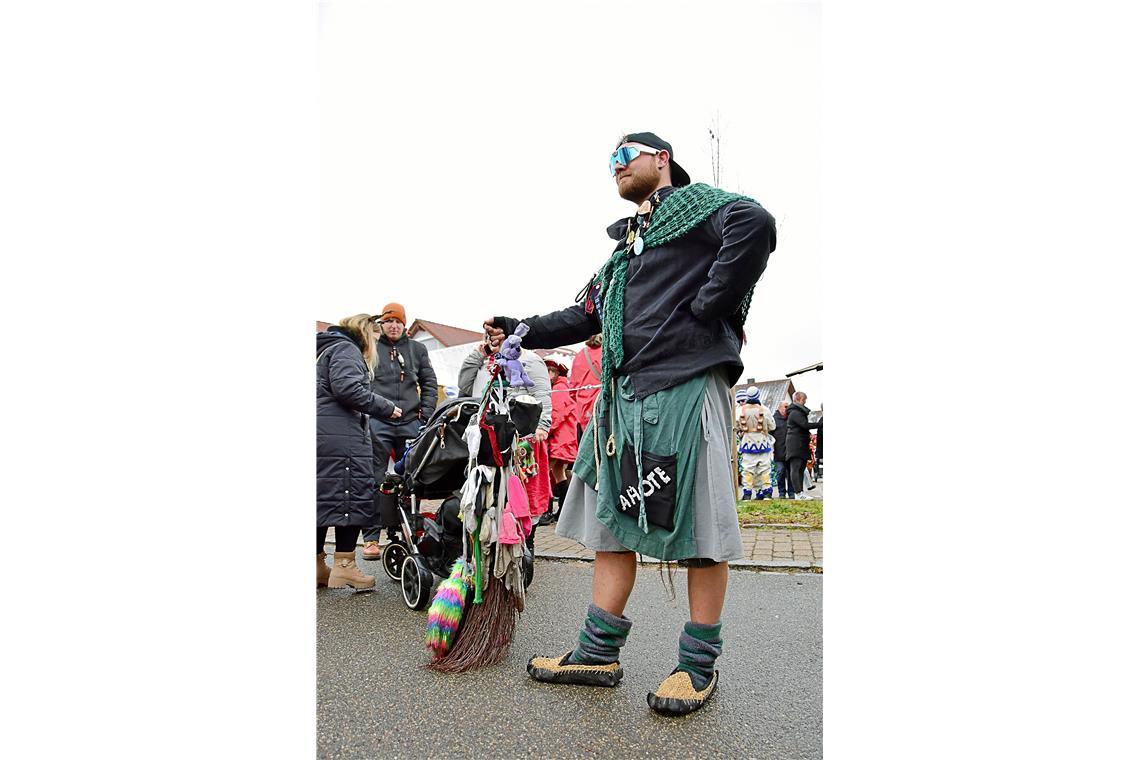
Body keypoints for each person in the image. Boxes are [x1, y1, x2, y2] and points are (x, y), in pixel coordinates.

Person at [483, 131, 776, 716]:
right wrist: (522, 327)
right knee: (612, 525)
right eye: (609, 161)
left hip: (685, 389)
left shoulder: (701, 212)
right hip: (623, 397)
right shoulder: (622, 254)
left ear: (660, 159)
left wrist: (711, 302)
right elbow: (584, 313)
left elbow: (758, 223)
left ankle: (696, 667)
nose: (615, 167)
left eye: (626, 155)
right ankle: (598, 652)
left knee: (699, 531)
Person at [317, 314, 401, 589]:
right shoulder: (345, 349)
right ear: (366, 333)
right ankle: (345, 566)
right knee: (349, 495)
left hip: (321, 433)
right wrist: (386, 407)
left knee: (322, 497)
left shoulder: (322, 349)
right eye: (375, 339)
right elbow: (348, 389)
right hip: (341, 436)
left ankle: (317, 565)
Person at [457, 335, 553, 550]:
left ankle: (526, 547)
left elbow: (542, 394)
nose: (493, 338)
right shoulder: (485, 361)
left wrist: (542, 426)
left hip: (523, 441)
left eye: (498, 333)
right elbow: (464, 387)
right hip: (489, 440)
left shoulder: (530, 359)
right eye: (489, 334)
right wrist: (477, 356)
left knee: (524, 497)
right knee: (492, 497)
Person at [361, 303, 438, 561]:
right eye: (389, 321)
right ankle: (371, 538)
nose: (394, 326)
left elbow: (429, 383)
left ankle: (408, 529)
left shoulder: (417, 349)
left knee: (410, 477)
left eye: (398, 322)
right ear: (381, 324)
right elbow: (362, 382)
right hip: (378, 421)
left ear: (404, 325)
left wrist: (425, 415)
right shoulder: (371, 348)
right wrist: (369, 414)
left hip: (410, 422)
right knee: (375, 477)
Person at [540, 356, 577, 525]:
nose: (548, 374)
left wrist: (545, 429)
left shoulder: (559, 388)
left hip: (558, 439)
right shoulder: (560, 387)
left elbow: (556, 413)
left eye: (551, 370)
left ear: (557, 373)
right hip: (562, 438)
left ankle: (546, 511)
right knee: (557, 473)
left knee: (545, 473)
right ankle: (563, 511)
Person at [736, 386, 775, 500]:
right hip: (762, 442)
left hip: (747, 443)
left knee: (747, 469)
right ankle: (766, 492)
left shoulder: (741, 410)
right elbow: (772, 426)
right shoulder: (765, 410)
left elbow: (737, 426)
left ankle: (747, 493)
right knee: (764, 469)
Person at [785, 392, 821, 500]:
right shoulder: (795, 413)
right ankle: (798, 493)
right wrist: (821, 424)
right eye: (804, 399)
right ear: (799, 399)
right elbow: (805, 425)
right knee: (796, 468)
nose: (805, 402)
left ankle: (800, 492)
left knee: (801, 468)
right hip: (795, 443)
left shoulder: (797, 412)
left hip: (800, 443)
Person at [568, 334, 603, 441]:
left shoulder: (579, 355)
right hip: (602, 408)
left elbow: (572, 391)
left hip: (583, 413)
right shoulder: (607, 351)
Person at [772, 400, 790, 499]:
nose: (787, 409)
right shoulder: (774, 419)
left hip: (790, 451)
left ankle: (791, 493)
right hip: (778, 451)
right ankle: (781, 492)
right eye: (785, 407)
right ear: (779, 407)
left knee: (790, 472)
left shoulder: (791, 418)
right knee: (780, 471)